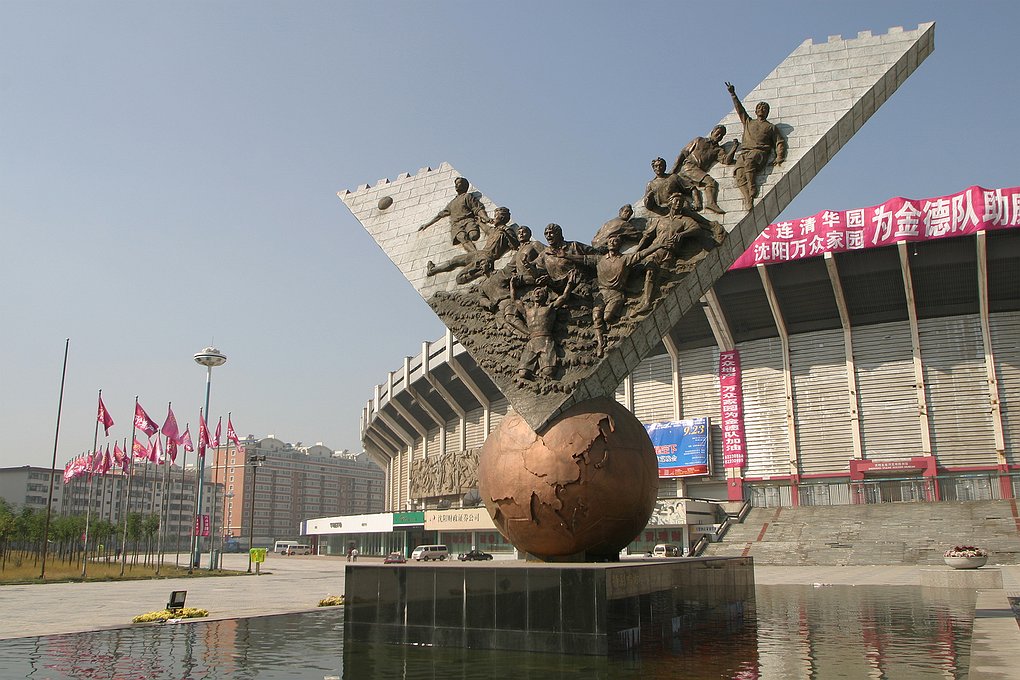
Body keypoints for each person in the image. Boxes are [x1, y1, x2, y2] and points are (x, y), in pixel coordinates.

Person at [726, 81, 786, 210]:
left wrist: (779, 156)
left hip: (759, 153)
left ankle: (752, 187)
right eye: (759, 108)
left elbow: (779, 142)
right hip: (745, 152)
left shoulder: (770, 127)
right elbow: (740, 110)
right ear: (755, 111)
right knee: (739, 175)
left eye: (764, 109)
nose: (761, 110)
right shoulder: (748, 122)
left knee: (749, 161)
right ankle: (748, 198)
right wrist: (733, 94)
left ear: (767, 112)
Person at [425, 206, 519, 283]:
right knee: (454, 260)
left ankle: (484, 272)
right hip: (479, 254)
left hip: (486, 258)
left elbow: (515, 245)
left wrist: (506, 233)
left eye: (495, 216)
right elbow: (485, 228)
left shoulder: (507, 231)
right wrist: (479, 222)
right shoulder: (494, 230)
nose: (494, 218)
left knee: (459, 278)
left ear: (502, 218)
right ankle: (432, 270)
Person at [670, 125, 738, 214]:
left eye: (721, 135)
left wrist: (734, 148)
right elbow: (683, 153)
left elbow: (726, 161)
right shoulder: (699, 140)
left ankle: (706, 204)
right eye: (718, 133)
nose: (719, 136)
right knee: (710, 181)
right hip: (689, 167)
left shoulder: (718, 150)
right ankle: (711, 203)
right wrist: (673, 169)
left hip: (697, 171)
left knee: (693, 189)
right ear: (712, 132)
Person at [418, 176, 492, 252]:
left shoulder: (467, 196)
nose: (456, 185)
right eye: (455, 184)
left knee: (474, 235)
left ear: (464, 186)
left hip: (468, 220)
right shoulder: (452, 203)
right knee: (462, 238)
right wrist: (427, 224)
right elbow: (440, 215)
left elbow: (477, 209)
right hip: (456, 225)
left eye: (458, 183)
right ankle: (475, 253)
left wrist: (486, 218)